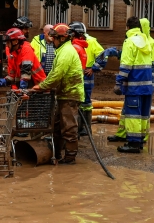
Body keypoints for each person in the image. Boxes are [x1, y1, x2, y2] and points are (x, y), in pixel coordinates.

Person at [30, 24, 85, 164]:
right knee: (57, 125)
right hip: (64, 93)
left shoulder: (66, 52)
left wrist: (40, 87)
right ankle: (57, 153)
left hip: (70, 94)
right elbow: (54, 74)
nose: (52, 40)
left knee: (68, 126)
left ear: (62, 38)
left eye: (54, 38)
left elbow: (56, 75)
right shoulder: (61, 50)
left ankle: (70, 156)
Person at [112, 16, 154, 154]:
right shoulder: (145, 40)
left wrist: (119, 82)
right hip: (147, 86)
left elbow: (126, 64)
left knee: (133, 115)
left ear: (127, 27)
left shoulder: (129, 41)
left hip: (134, 86)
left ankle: (133, 144)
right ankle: (140, 140)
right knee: (143, 115)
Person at [69, 22, 107, 135]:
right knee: (79, 100)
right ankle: (80, 127)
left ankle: (85, 128)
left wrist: (94, 68)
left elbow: (103, 55)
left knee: (85, 101)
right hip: (80, 73)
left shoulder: (90, 41)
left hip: (87, 73)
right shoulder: (74, 42)